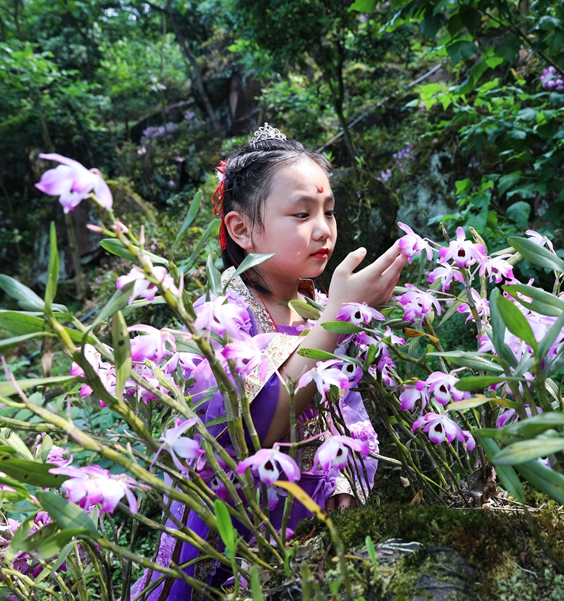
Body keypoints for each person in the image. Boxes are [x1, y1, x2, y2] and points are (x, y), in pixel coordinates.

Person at [131, 124, 406, 600]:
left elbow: (346, 407)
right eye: (301, 214)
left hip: (314, 513)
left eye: (329, 211)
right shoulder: (222, 319)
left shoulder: (320, 303)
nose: (323, 229)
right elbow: (246, 430)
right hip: (238, 525)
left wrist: (344, 477)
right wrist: (338, 323)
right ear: (241, 228)